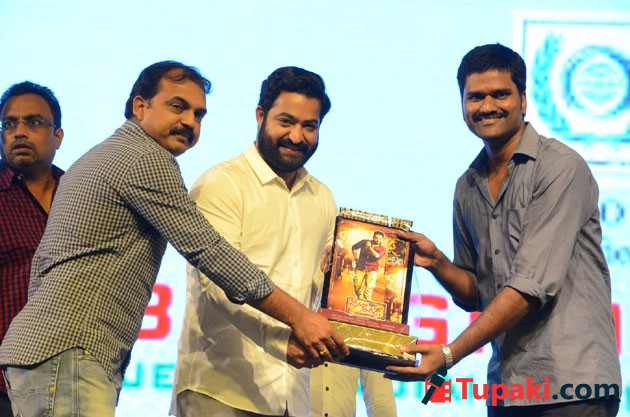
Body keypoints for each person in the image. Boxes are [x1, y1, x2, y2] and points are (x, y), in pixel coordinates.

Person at [0, 61, 347, 417]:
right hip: (72, 351)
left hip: (49, 354)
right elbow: (211, 254)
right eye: (177, 106)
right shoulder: (145, 158)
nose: (189, 122)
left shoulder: (100, 156)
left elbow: (42, 265)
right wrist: (299, 318)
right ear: (140, 106)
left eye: (198, 114)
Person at [387, 44, 621, 417]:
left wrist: (449, 354)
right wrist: (437, 263)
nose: (487, 106)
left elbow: (529, 287)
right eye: (475, 97)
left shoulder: (560, 167)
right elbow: (476, 294)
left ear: (523, 100)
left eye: (500, 94)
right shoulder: (467, 185)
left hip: (571, 385)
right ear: (462, 105)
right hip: (508, 388)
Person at [0, 81, 64, 417]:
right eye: (10, 124)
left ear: (58, 136)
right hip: (4, 384)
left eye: (34, 122)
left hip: (68, 381)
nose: (19, 132)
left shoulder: (80, 195)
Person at [352, 231, 386, 300]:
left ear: (382, 239)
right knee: (356, 285)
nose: (378, 240)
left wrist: (369, 248)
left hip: (372, 269)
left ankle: (367, 302)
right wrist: (355, 258)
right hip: (360, 267)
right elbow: (354, 247)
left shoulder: (382, 249)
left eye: (380, 239)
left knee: (369, 287)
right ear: (373, 237)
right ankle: (360, 298)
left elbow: (377, 255)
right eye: (376, 238)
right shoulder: (364, 242)